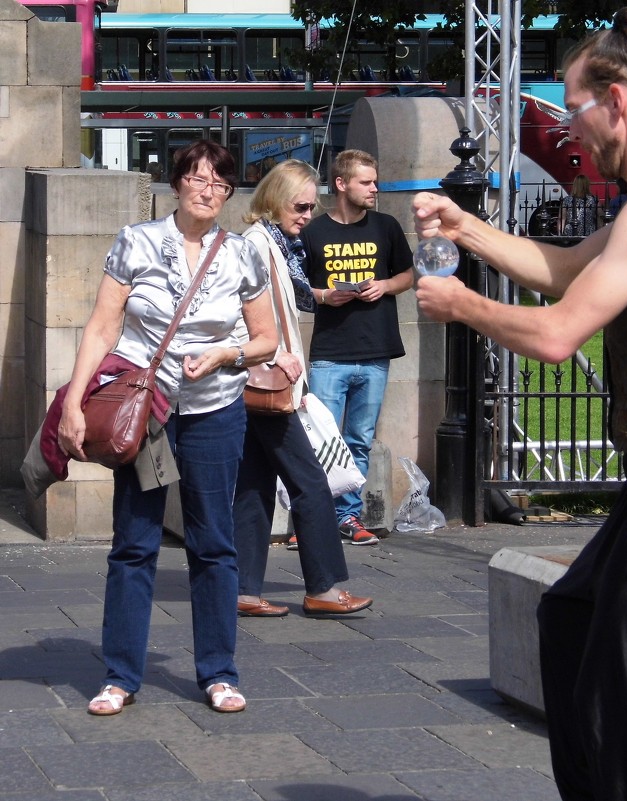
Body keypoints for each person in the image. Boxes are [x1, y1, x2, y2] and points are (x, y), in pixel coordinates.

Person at [412, 7, 627, 801]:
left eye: (573, 110)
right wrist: (468, 228)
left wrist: (462, 306)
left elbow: (559, 331)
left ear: (617, 100)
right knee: (569, 623)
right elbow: (566, 267)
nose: (572, 132)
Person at [57, 141, 278, 716]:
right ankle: (120, 674)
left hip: (216, 409)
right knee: (134, 541)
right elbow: (103, 328)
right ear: (176, 182)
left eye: (220, 183)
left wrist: (227, 355)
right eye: (198, 178)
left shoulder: (243, 254)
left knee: (213, 542)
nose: (208, 190)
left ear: (230, 194)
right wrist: (75, 402)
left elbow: (266, 339)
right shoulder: (138, 241)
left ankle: (219, 672)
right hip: (146, 411)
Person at [233, 159, 374, 617]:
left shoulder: (276, 243)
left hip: (265, 382)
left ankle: (243, 590)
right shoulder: (258, 243)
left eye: (312, 207)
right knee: (312, 483)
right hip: (269, 380)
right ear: (275, 199)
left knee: (254, 486)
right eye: (300, 206)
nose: (306, 216)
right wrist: (275, 356)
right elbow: (240, 312)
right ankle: (324, 587)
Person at [300, 149, 413, 545]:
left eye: (375, 181)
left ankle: (347, 516)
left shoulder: (386, 227)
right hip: (330, 353)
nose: (375, 189)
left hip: (376, 350)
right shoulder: (313, 232)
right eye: (366, 182)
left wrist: (384, 285)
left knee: (359, 440)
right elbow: (300, 291)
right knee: (321, 441)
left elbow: (408, 273)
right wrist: (326, 296)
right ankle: (313, 519)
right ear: (342, 184)